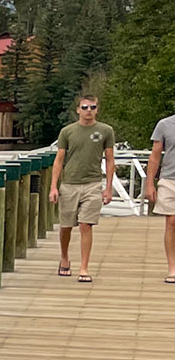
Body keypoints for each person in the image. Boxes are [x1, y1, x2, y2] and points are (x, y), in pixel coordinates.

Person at [49, 95, 117, 283]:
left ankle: (84, 267)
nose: (89, 110)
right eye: (85, 107)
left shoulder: (105, 131)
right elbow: (59, 160)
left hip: (93, 183)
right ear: (78, 109)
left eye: (92, 107)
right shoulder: (67, 132)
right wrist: (53, 186)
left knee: (86, 224)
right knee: (66, 226)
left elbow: (110, 159)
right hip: (70, 183)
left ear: (97, 109)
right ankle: (64, 257)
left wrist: (108, 187)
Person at [149, 109, 175, 284]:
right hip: (169, 179)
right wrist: (150, 183)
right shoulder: (164, 124)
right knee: (171, 221)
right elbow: (155, 155)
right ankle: (172, 268)